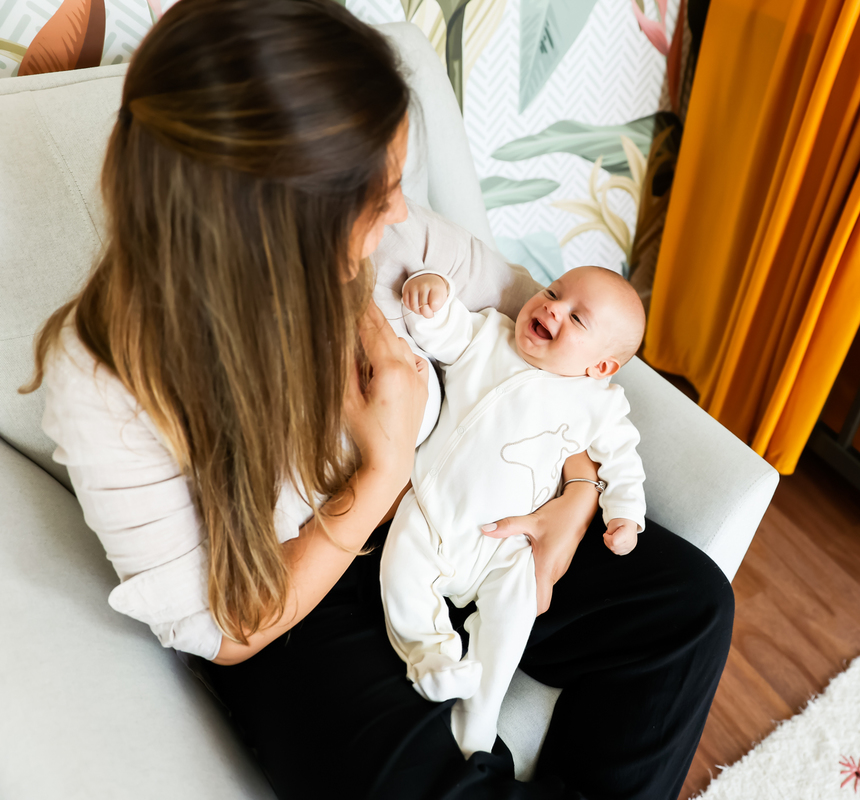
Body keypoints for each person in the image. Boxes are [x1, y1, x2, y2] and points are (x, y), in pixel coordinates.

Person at [24, 1, 734, 798]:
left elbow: (550, 348)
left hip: (468, 508)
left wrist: (577, 491)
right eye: (379, 193)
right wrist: (383, 468)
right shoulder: (108, 381)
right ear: (275, 224)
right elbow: (222, 628)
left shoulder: (397, 241)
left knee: (688, 609)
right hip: (297, 605)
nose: (400, 210)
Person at [383, 266, 648, 757]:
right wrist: (433, 293)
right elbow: (441, 328)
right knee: (401, 571)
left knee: (514, 616)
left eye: (577, 318)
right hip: (433, 510)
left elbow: (623, 461)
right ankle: (433, 657)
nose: (552, 307)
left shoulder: (600, 404)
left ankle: (480, 714)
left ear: (600, 367)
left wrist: (626, 514)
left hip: (509, 544)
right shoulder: (488, 335)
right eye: (552, 292)